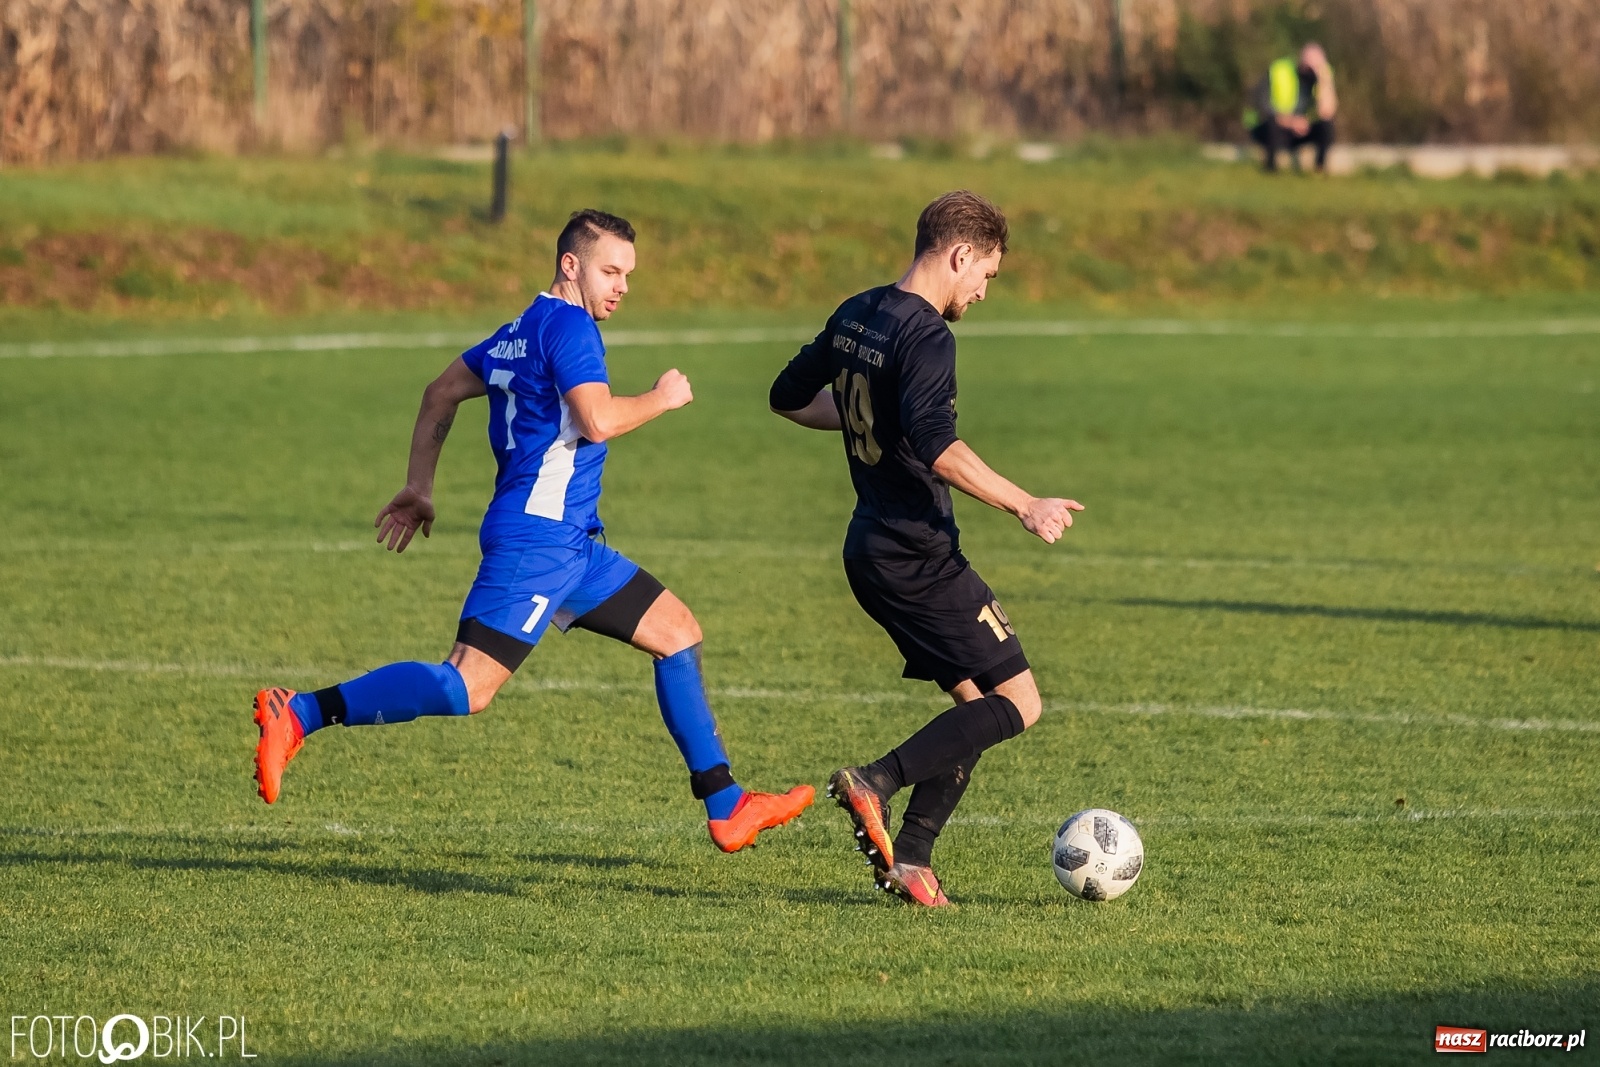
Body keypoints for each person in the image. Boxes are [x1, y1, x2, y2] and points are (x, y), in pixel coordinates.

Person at [252, 209, 813, 852]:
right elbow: (596, 419)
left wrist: (420, 486)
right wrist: (663, 397)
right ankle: (297, 712)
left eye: (629, 274)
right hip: (538, 543)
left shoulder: (519, 329)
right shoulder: (571, 327)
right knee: (467, 685)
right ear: (570, 267)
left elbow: (440, 392)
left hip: (572, 545)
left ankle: (727, 804)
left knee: (677, 632)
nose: (622, 286)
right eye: (610, 270)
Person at [768, 191, 1083, 906]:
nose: (981, 291)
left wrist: (863, 421)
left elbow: (787, 396)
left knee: (972, 703)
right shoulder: (929, 335)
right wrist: (1025, 503)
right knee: (1019, 702)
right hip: (918, 553)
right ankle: (874, 780)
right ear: (959, 253)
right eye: (987, 276)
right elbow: (940, 448)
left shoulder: (856, 312)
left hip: (868, 547)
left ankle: (910, 857)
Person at [1247, 43, 1338, 173]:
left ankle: (1319, 168)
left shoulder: (1319, 79)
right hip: (1271, 128)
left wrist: (1324, 80)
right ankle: (1270, 168)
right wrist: (1291, 122)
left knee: (1326, 125)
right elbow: (1263, 108)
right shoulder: (1279, 70)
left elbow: (1327, 112)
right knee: (1272, 124)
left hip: (1300, 128)